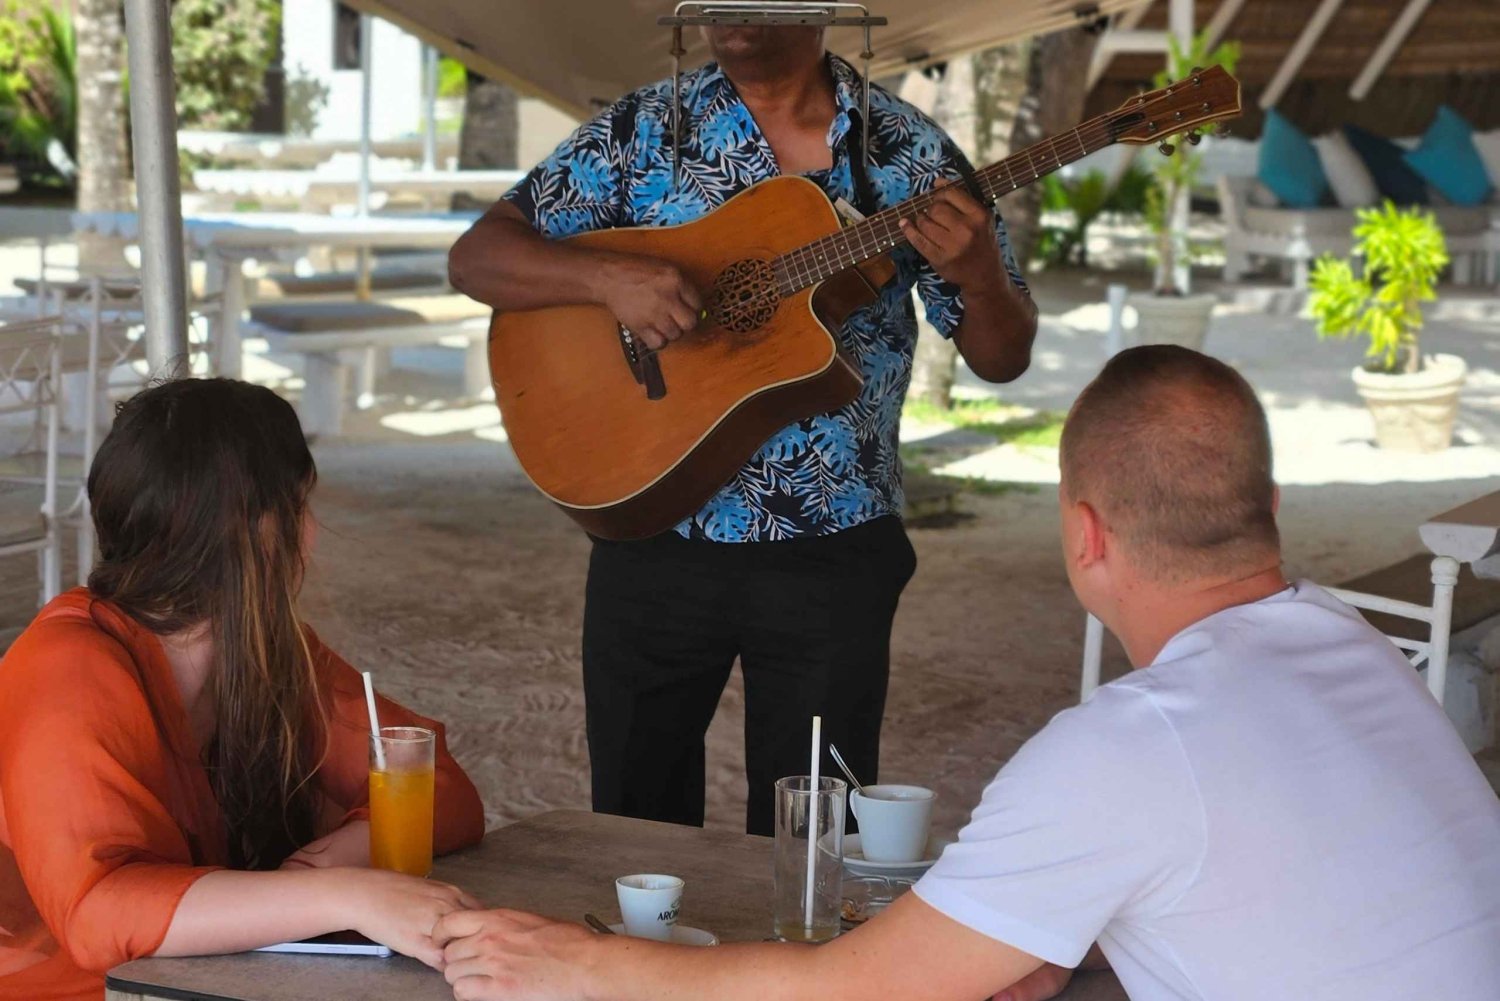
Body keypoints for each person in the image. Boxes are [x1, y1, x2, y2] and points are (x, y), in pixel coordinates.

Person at [431, 346, 1500, 1001]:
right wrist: (1065, 937)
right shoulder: (1354, 642)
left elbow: (846, 990)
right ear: (1268, 511)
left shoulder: (1128, 745)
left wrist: (576, 964)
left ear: (1083, 534)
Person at [448, 13, 1039, 835]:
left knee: (810, 843)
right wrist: (607, 277)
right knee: (632, 826)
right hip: (651, 519)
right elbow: (476, 257)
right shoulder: (645, 127)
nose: (728, 13)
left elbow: (1000, 357)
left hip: (832, 545)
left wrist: (981, 279)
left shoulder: (909, 154)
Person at [0, 379, 487, 1001]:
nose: (310, 535)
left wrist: (349, 854)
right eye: (300, 507)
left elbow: (443, 785)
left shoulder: (268, 650)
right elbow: (98, 915)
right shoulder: (66, 670)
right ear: (254, 531)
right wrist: (346, 894)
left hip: (208, 980)